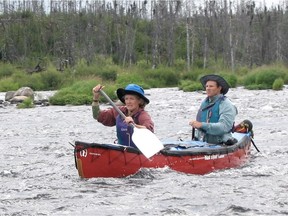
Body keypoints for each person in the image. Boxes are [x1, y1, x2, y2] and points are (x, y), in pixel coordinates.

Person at [92, 83, 154, 148]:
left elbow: (148, 131)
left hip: (138, 152)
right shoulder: (119, 111)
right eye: (126, 99)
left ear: (140, 101)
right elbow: (97, 115)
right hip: (121, 151)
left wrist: (134, 125)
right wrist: (95, 98)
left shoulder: (143, 115)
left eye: (132, 99)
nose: (128, 102)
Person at [189, 74, 238, 145]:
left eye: (211, 86)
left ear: (219, 88)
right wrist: (195, 124)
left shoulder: (227, 104)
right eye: (206, 86)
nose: (208, 88)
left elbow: (224, 127)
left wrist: (201, 125)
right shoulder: (205, 103)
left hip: (220, 143)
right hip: (202, 142)